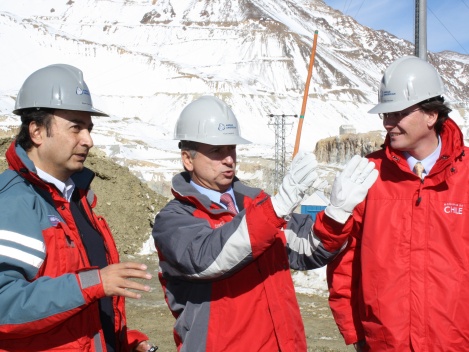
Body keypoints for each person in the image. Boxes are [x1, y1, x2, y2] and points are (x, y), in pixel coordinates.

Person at [151, 95, 377, 351]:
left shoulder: (257, 203)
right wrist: (276, 208)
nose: (229, 159)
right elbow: (209, 258)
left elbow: (306, 249)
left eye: (231, 148)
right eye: (216, 151)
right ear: (188, 159)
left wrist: (337, 214)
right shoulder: (174, 220)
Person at [314, 55, 469, 351]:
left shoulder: (467, 175)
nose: (388, 123)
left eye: (397, 113)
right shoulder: (368, 175)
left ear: (431, 115)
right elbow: (345, 260)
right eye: (385, 115)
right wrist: (355, 332)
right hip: (385, 343)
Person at [0, 64, 157, 352]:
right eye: (76, 127)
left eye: (89, 128)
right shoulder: (14, 203)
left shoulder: (79, 201)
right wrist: (91, 283)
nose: (88, 140)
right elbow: (4, 306)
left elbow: (90, 303)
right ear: (36, 130)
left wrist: (124, 340)